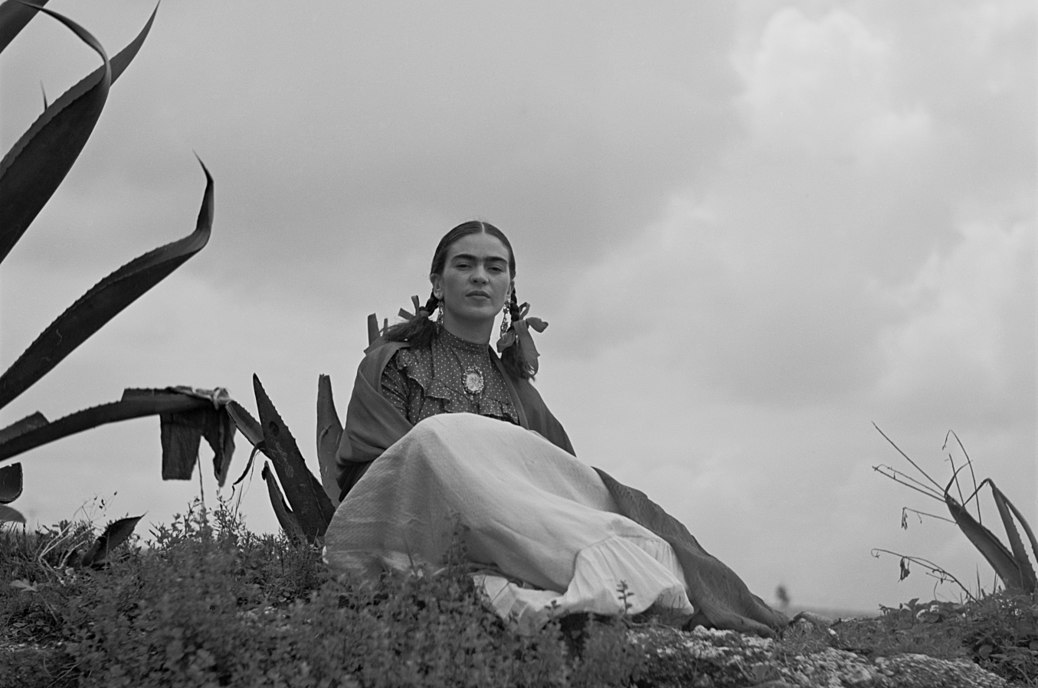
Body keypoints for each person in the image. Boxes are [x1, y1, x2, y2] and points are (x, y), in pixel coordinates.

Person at [324, 220, 788, 636]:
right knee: (435, 439)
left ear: (508, 288)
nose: (480, 276)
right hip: (420, 528)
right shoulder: (395, 364)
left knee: (642, 542)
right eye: (465, 265)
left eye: (495, 268)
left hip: (512, 532)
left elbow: (554, 484)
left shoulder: (519, 391)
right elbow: (377, 476)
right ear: (438, 284)